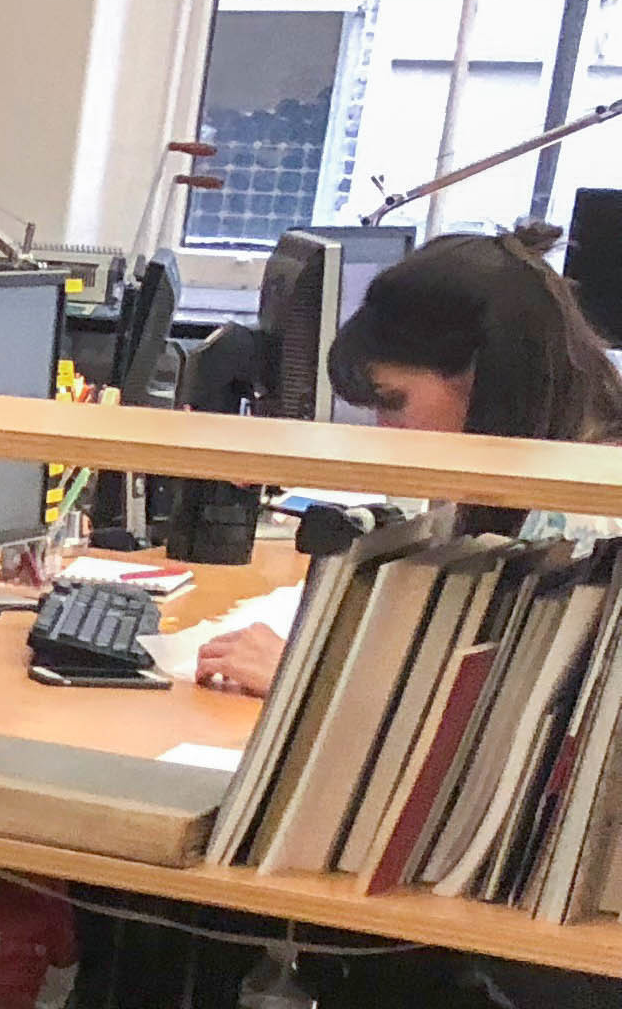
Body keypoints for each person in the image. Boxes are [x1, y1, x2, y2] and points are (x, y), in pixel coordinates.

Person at [192, 232, 622, 693]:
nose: (385, 429)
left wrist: (310, 679)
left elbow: (503, 705)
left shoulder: (585, 518)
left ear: (487, 379)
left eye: (395, 402)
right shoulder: (535, 461)